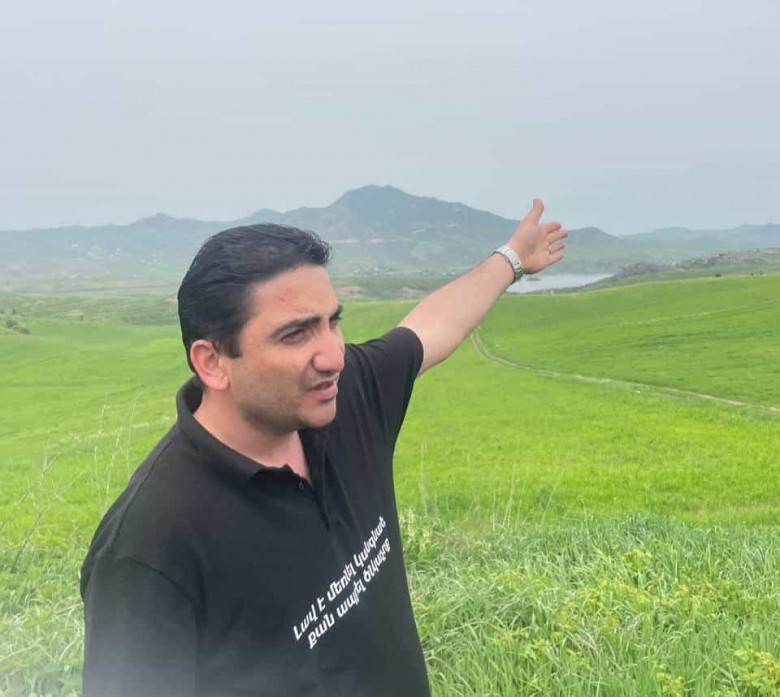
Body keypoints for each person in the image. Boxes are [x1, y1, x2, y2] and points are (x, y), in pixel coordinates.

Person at [80, 199, 567, 696]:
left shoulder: (345, 400)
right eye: (295, 335)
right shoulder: (148, 549)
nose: (334, 356)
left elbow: (430, 328)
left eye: (332, 322)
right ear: (212, 362)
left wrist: (512, 257)